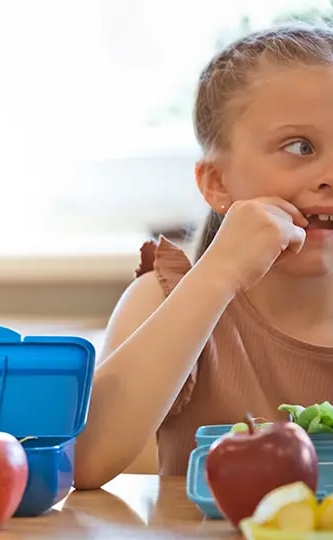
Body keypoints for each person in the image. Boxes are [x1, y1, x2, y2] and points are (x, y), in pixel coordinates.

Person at [74, 24, 333, 489]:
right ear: (217, 184)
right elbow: (87, 460)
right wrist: (218, 275)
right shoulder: (166, 297)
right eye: (300, 147)